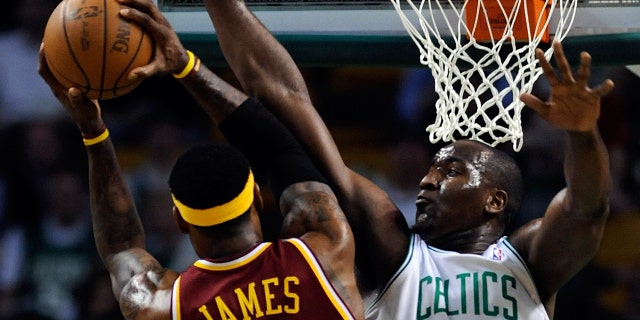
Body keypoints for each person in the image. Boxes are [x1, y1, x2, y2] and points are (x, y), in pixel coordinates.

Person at [117, 0, 614, 319]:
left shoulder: (528, 258)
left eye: (451, 170)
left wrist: (582, 134)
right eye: (433, 166)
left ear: (495, 200)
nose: (427, 179)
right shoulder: (391, 246)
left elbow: (586, 208)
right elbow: (290, 102)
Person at [38, 22, 363, 320]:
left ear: (180, 220)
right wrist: (186, 66)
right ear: (256, 198)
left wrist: (92, 130)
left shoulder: (166, 306)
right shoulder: (324, 251)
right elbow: (279, 149)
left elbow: (121, 248)